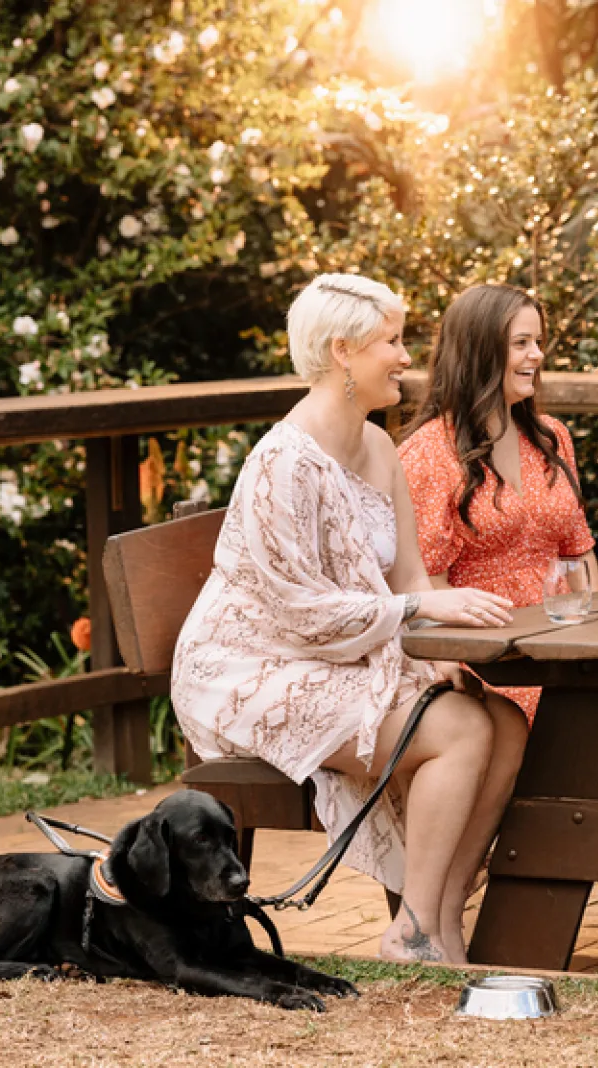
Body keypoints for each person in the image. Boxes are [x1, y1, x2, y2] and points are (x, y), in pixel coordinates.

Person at [170, 273, 529, 966]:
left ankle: (441, 921)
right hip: (250, 667)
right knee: (455, 730)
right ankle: (413, 931)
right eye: (391, 341)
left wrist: (436, 649)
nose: (405, 357)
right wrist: (421, 611)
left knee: (504, 721)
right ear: (342, 351)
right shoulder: (282, 461)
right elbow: (299, 612)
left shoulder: (378, 446)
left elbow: (410, 578)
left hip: (336, 652)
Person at [399, 283, 598, 961]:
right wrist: (451, 667)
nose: (536, 356)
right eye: (521, 343)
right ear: (479, 350)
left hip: (565, 629)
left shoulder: (552, 438)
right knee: (597, 721)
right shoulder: (428, 454)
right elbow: (426, 584)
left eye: (537, 342)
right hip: (491, 651)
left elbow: (581, 556)